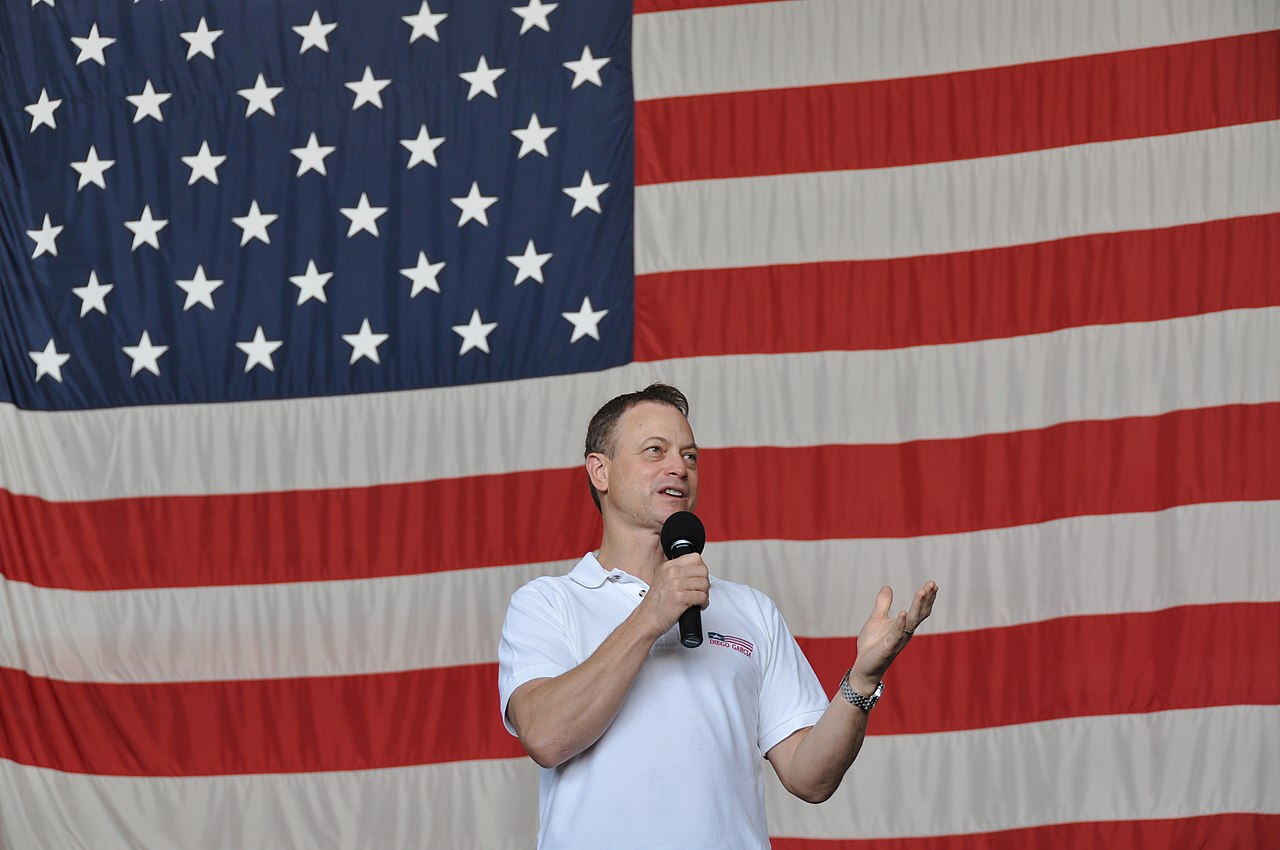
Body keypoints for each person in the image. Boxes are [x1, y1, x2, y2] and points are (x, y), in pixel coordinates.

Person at [498, 383, 938, 849]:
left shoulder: (750, 609)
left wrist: (862, 681)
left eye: (690, 456)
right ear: (600, 471)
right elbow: (545, 736)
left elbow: (810, 778)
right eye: (655, 451)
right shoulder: (547, 603)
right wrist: (652, 615)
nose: (679, 468)